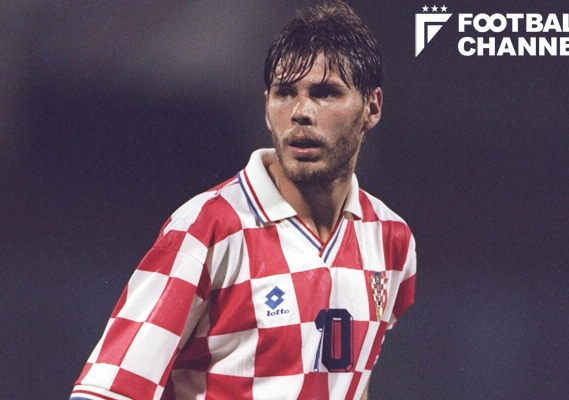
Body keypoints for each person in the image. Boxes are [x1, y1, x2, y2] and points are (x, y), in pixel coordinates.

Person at [70, 1, 416, 399]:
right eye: (285, 93)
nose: (300, 112)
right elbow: (107, 389)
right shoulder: (209, 227)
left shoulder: (392, 240)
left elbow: (353, 377)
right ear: (267, 108)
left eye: (325, 93)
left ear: (372, 107)